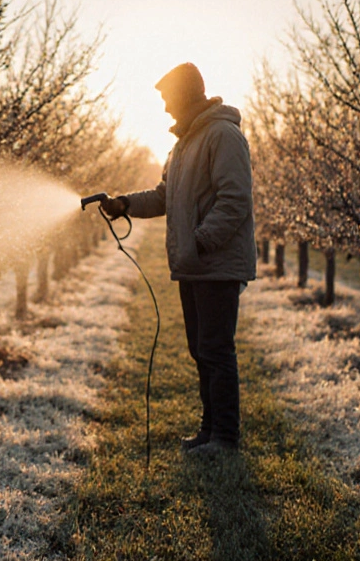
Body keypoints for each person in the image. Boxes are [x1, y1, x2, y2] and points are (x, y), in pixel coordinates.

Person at [101, 62, 256, 454]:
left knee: (216, 350)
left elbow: (235, 199)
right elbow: (164, 196)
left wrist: (201, 242)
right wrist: (124, 204)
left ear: (186, 95)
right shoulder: (184, 144)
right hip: (195, 264)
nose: (166, 108)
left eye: (169, 99)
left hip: (216, 263)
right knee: (201, 351)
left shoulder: (222, 135)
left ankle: (225, 438)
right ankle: (209, 430)